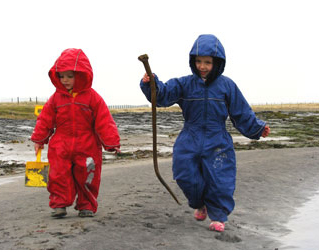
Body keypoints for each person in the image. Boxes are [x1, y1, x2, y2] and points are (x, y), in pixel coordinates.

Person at [140, 34, 270, 232]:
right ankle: (200, 203)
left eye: (207, 62)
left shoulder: (227, 85)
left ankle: (218, 216)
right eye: (198, 61)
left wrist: (257, 128)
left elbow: (240, 112)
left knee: (220, 179)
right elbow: (163, 95)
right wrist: (152, 84)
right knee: (184, 174)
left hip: (217, 139)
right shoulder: (185, 84)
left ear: (217, 63)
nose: (202, 66)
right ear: (193, 61)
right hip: (189, 136)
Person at [31, 48, 120, 218]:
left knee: (88, 176)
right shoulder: (56, 98)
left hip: (88, 145)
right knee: (57, 175)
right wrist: (39, 139)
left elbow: (104, 121)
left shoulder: (93, 98)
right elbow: (45, 119)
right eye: (61, 76)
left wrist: (111, 142)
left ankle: (86, 205)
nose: (65, 80)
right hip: (60, 144)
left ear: (80, 75)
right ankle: (59, 204)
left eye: (69, 76)